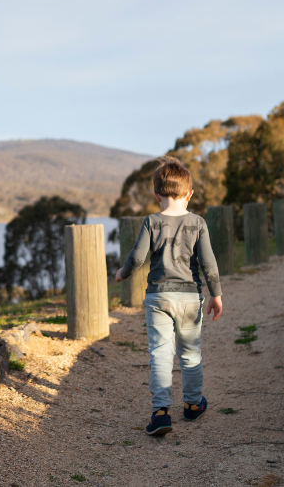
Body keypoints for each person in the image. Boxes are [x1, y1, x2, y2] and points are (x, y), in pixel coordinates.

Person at [114, 156, 223, 437]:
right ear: (189, 194)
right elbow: (209, 263)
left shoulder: (152, 221)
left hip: (158, 298)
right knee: (190, 353)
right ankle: (193, 404)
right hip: (190, 297)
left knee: (161, 355)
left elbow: (137, 258)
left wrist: (122, 273)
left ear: (156, 195)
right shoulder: (198, 223)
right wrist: (216, 295)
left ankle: (161, 412)